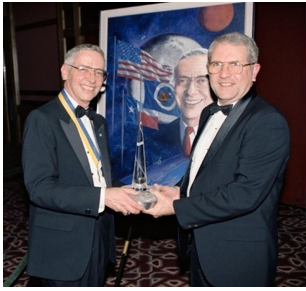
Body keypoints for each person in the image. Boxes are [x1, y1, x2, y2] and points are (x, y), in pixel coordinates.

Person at [145, 32, 290, 287]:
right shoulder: (209, 112)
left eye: (235, 64)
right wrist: (180, 191)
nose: (224, 74)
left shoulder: (267, 122)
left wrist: (177, 207)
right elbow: (207, 171)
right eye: (216, 64)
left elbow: (245, 194)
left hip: (238, 256)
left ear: (254, 71)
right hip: (201, 245)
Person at [22, 44, 143, 286]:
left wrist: (134, 191)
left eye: (99, 72)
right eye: (84, 69)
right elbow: (40, 189)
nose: (92, 78)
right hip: (62, 247)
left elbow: (99, 177)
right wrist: (102, 198)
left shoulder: (98, 121)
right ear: (65, 71)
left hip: (99, 236)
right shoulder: (42, 119)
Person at [172, 48, 214, 156]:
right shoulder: (151, 138)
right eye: (182, 80)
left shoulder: (234, 135)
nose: (190, 91)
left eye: (201, 80)